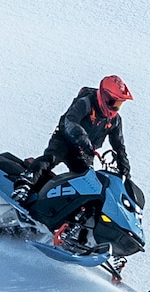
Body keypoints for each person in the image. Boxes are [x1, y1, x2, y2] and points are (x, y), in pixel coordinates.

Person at [18, 75, 140, 242]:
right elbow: (70, 121)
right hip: (66, 140)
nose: (115, 108)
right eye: (113, 102)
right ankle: (24, 185)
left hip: (84, 152)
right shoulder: (86, 103)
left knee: (89, 185)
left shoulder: (115, 120)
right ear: (103, 96)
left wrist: (124, 168)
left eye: (119, 104)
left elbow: (119, 146)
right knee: (51, 158)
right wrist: (84, 140)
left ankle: (78, 224)